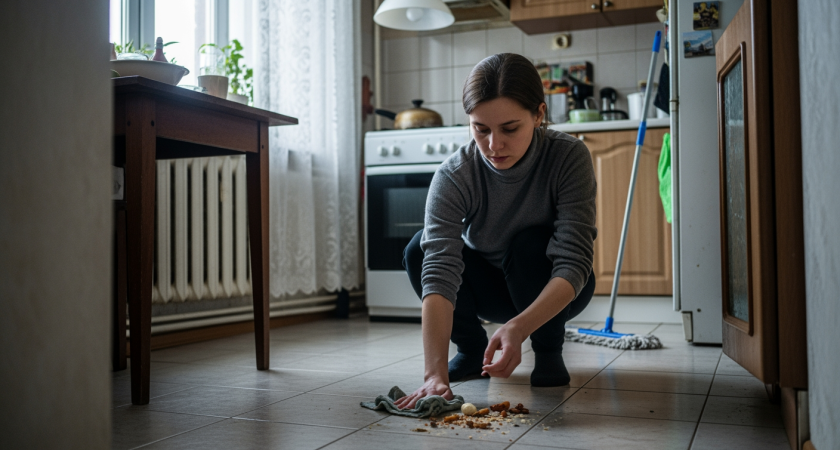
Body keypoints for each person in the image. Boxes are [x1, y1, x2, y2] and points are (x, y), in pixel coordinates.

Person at [396, 53, 598, 409]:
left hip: (553, 285)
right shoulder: (454, 174)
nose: (493, 146)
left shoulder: (569, 157)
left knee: (529, 244)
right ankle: (472, 350)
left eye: (510, 128)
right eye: (481, 129)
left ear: (538, 115)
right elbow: (440, 270)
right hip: (488, 286)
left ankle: (549, 349)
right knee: (419, 249)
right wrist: (433, 373)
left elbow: (573, 260)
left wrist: (519, 328)